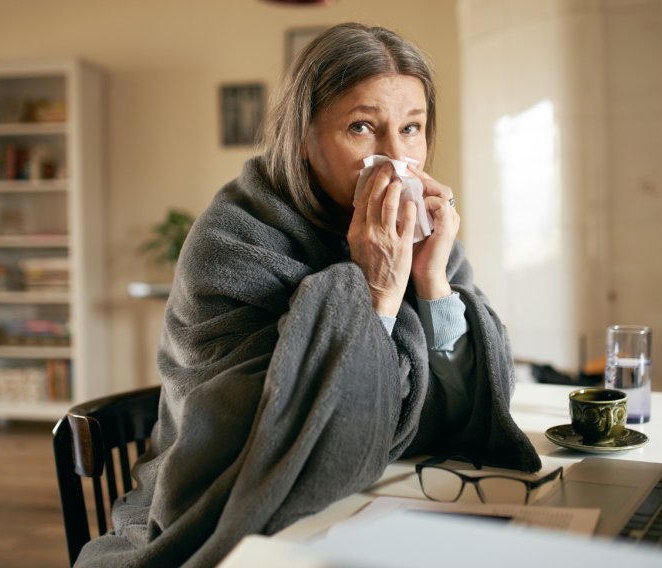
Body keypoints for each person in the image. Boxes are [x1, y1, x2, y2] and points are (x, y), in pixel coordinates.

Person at [75, 22, 540, 568]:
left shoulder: (419, 232)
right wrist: (375, 289)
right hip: (240, 508)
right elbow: (276, 441)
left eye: (412, 129)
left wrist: (434, 285)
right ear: (301, 135)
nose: (396, 159)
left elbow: (466, 410)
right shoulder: (232, 239)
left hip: (380, 497)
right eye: (363, 127)